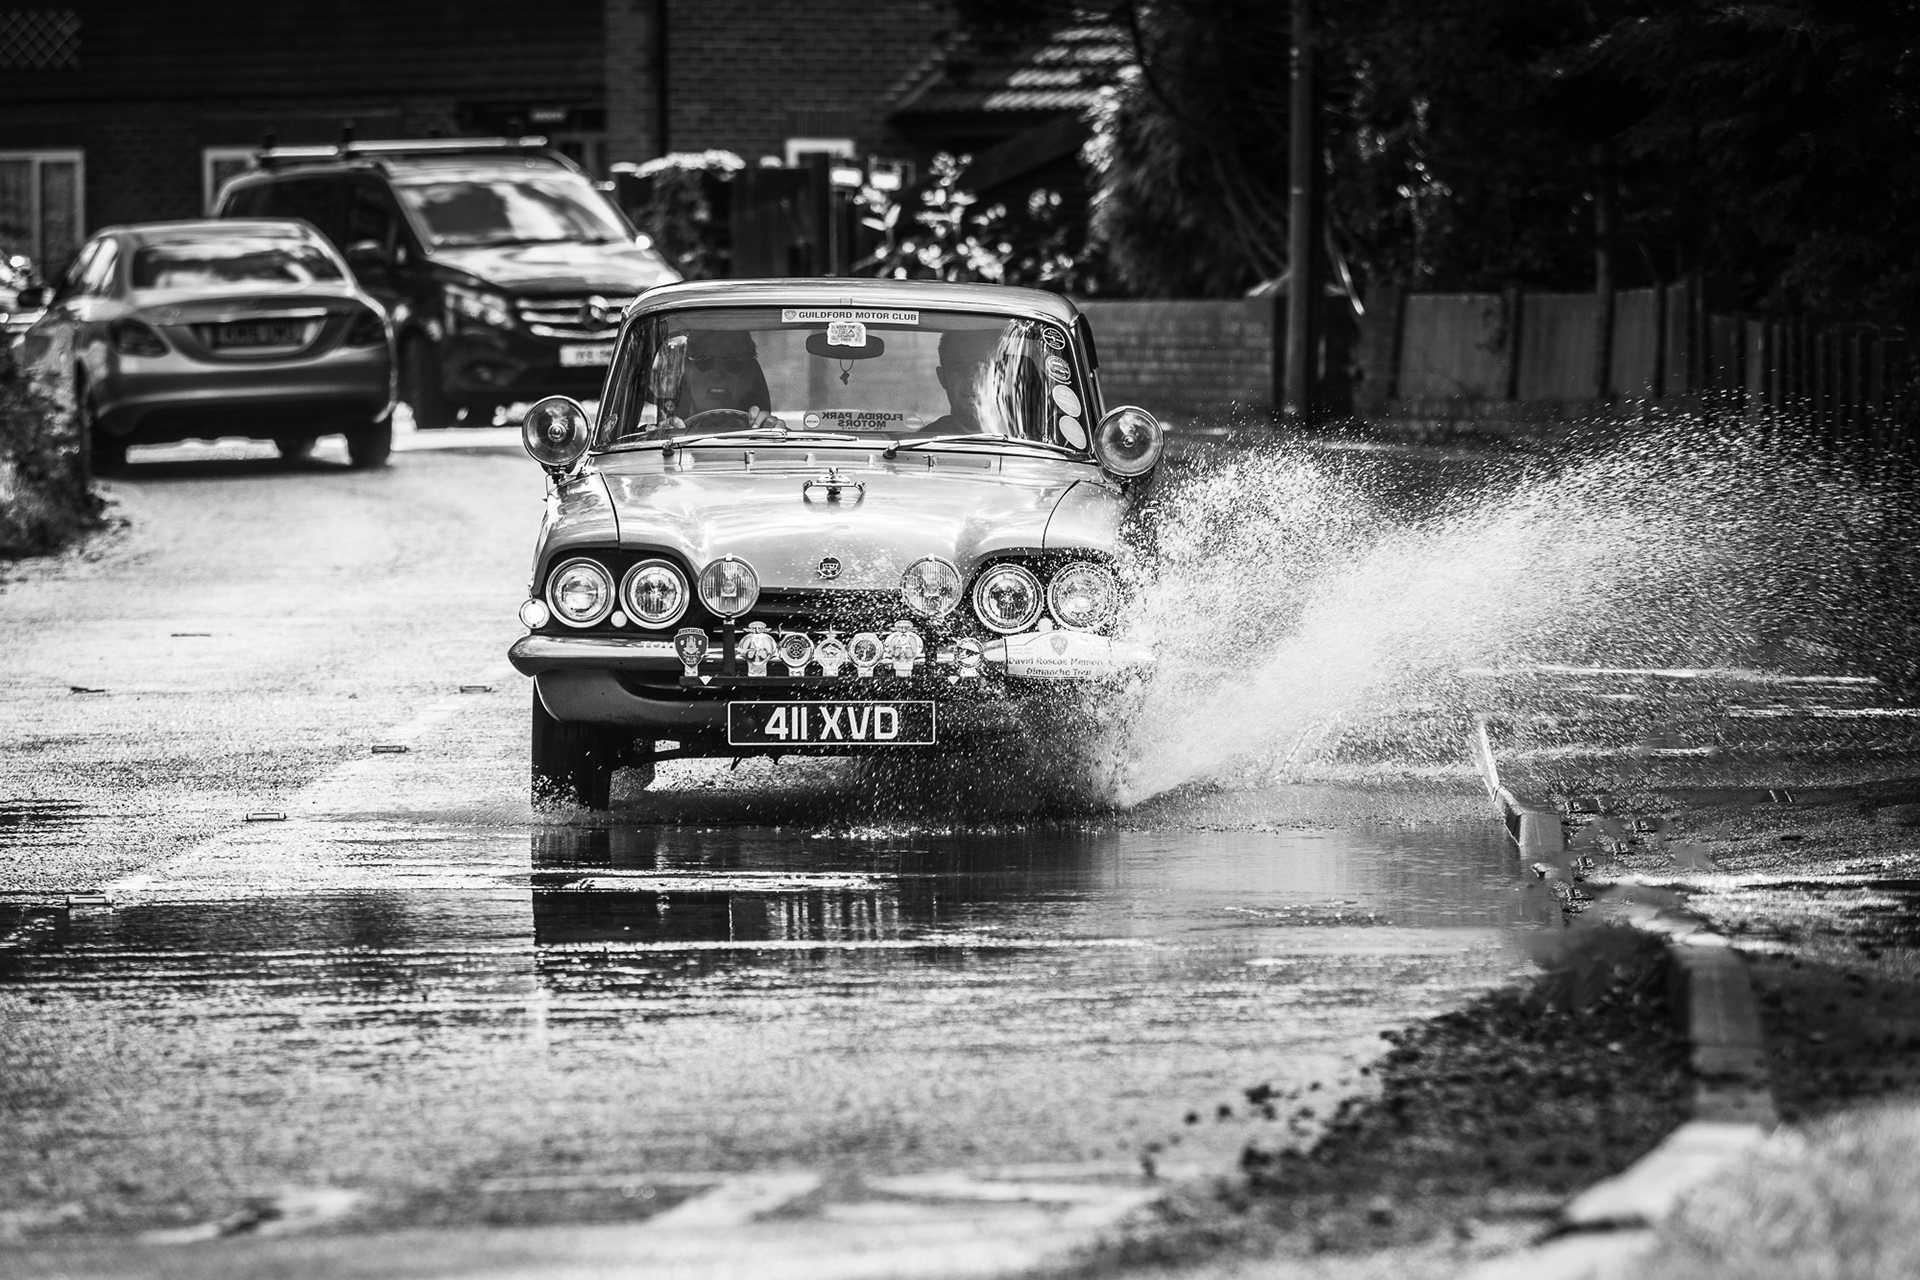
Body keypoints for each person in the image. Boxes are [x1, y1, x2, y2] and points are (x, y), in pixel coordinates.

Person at [671, 329, 780, 429]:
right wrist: (665, 434)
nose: (717, 374)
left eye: (732, 361)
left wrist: (775, 435)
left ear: (750, 376)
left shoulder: (767, 435)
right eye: (704, 360)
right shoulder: (666, 435)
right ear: (687, 372)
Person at [924, 327, 1011, 434]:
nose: (970, 379)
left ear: (1000, 376)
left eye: (981, 368)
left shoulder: (1029, 438)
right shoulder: (922, 442)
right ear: (942, 377)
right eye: (959, 369)